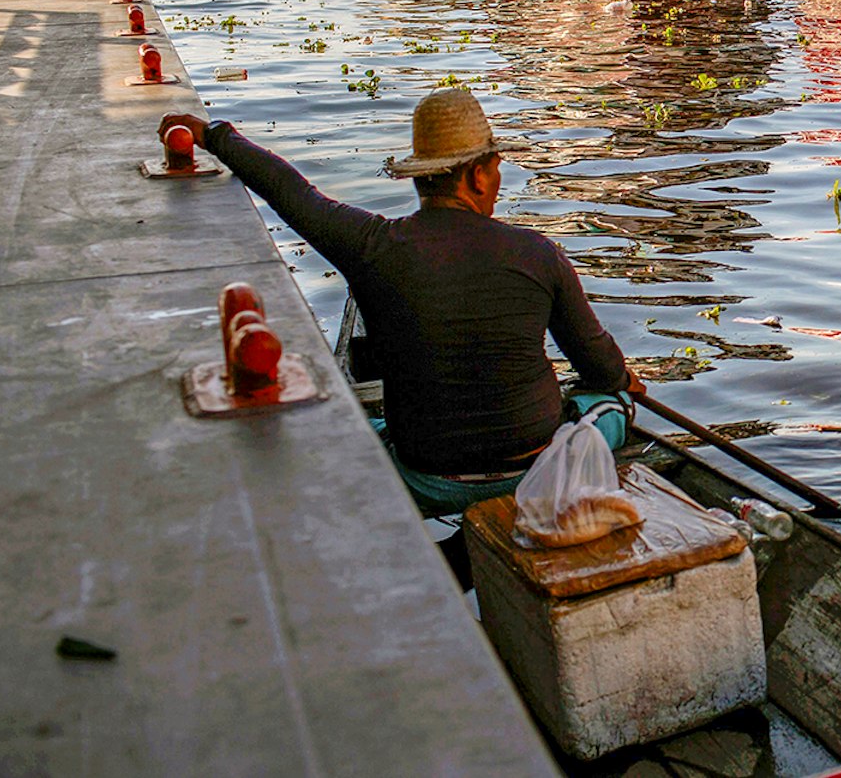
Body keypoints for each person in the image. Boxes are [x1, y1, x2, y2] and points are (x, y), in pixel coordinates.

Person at [157, 88, 644, 520]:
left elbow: (291, 192)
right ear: (476, 177)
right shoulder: (539, 254)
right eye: (495, 170)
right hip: (533, 468)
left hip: (425, 476)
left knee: (366, 425)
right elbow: (601, 366)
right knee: (609, 404)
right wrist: (622, 382)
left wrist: (213, 135)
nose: (497, 182)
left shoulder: (371, 245)